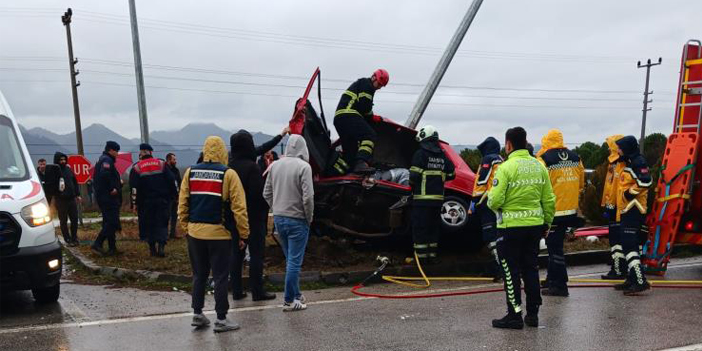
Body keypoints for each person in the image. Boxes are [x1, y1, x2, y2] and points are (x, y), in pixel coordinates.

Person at [178, 136, 249, 333]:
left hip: (195, 234)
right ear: (222, 152)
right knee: (220, 276)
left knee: (199, 275)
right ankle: (221, 318)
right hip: (219, 235)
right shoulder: (229, 174)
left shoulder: (190, 172)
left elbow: (182, 204)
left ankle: (198, 314)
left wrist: (187, 227)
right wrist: (244, 235)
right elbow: (239, 209)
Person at [487, 127, 556, 329]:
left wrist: (493, 201)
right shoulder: (539, 166)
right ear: (525, 142)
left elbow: (495, 200)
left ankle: (514, 315)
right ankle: (532, 314)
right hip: (534, 226)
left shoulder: (506, 168)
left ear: (508, 144)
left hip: (510, 228)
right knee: (531, 269)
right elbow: (549, 200)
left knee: (510, 271)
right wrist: (547, 223)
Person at [263, 134, 314, 312]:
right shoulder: (304, 167)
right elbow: (308, 198)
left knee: (290, 259)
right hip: (298, 219)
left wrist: (277, 208)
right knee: (294, 262)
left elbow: (266, 193)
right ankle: (289, 300)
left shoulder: (275, 165)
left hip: (278, 219)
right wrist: (309, 217)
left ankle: (297, 294)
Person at [228, 130, 279, 302]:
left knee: (236, 254)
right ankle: (257, 291)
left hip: (234, 218)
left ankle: (236, 290)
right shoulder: (252, 167)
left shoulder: (230, 167)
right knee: (256, 254)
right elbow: (259, 196)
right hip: (254, 219)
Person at [536, 129, 585, 297]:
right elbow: (581, 184)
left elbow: (540, 186)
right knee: (554, 245)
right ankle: (552, 279)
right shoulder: (576, 157)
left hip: (553, 211)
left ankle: (560, 285)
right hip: (570, 211)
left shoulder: (544, 159)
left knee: (554, 248)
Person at [408, 125, 455, 263]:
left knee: (420, 229)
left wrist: (411, 187)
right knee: (433, 229)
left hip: (421, 201)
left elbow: (413, 177)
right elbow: (452, 174)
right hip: (437, 201)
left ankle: (421, 260)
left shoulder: (420, 154)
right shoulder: (443, 156)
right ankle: (431, 257)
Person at [613, 135, 652, 295]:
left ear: (627, 148)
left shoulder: (638, 161)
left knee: (630, 246)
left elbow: (646, 181)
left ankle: (640, 280)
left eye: (620, 148)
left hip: (634, 209)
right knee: (627, 245)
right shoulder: (628, 162)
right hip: (626, 210)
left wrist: (630, 194)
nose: (618, 151)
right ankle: (631, 278)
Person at [332, 69, 389, 174]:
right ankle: (361, 163)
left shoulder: (362, 85)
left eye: (381, 86)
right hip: (348, 114)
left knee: (351, 151)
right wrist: (373, 117)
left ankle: (338, 173)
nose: (379, 87)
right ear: (374, 78)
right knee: (369, 136)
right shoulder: (366, 84)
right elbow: (365, 107)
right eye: (379, 84)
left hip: (340, 119)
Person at [130, 144, 176, 257]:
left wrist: (134, 204)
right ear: (151, 152)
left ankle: (152, 249)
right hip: (162, 201)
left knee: (149, 224)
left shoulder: (136, 168)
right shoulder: (161, 164)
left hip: (145, 203)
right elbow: (172, 180)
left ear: (141, 153)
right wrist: (174, 195)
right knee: (162, 223)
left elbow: (134, 188)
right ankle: (161, 247)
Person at [469, 137, 503, 278]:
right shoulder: (500, 159)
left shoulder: (488, 159)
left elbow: (482, 181)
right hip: (498, 202)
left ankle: (500, 269)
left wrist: (474, 201)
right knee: (498, 236)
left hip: (487, 202)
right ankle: (500, 267)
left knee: (491, 237)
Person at [600, 135, 626, 280]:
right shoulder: (614, 163)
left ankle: (618, 269)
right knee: (616, 241)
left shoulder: (619, 164)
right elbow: (608, 187)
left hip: (617, 208)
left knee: (616, 242)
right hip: (614, 206)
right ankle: (619, 267)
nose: (608, 149)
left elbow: (616, 188)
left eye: (610, 147)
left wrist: (610, 207)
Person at [91, 141, 123, 256]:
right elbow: (105, 174)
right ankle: (97, 243)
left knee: (108, 221)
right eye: (116, 151)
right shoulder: (107, 160)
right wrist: (112, 188)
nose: (117, 154)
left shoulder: (104, 159)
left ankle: (112, 247)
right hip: (108, 197)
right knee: (112, 222)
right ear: (111, 150)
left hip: (104, 196)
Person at [53, 152, 81, 247]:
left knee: (74, 219)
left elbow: (75, 182)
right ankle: (67, 238)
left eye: (64, 159)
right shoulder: (54, 171)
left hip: (71, 199)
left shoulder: (69, 169)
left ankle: (74, 237)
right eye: (61, 160)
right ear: (57, 160)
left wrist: (77, 194)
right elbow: (51, 186)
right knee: (63, 221)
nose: (63, 161)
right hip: (61, 200)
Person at [130, 144, 153, 242]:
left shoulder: (152, 166)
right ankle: (144, 236)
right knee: (143, 218)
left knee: (150, 218)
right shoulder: (136, 168)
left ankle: (149, 235)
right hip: (142, 198)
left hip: (149, 197)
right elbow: (133, 187)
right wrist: (133, 203)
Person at [165, 153, 182, 240]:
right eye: (174, 159)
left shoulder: (176, 170)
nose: (175, 161)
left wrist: (179, 195)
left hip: (175, 197)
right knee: (166, 216)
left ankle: (172, 233)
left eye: (175, 159)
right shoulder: (165, 170)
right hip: (167, 197)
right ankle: (165, 234)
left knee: (174, 216)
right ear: (168, 160)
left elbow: (179, 182)